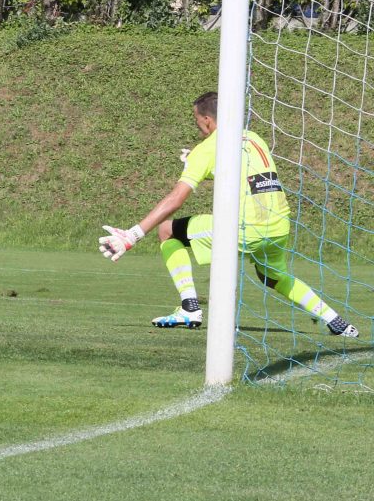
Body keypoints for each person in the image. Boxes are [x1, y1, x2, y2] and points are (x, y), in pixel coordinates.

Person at [98, 91, 358, 337]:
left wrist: (132, 235)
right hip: (279, 225)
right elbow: (240, 172)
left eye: (198, 121)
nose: (198, 127)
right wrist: (199, 162)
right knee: (271, 276)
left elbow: (177, 198)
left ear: (208, 120)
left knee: (167, 230)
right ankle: (336, 322)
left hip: (245, 228)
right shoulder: (253, 138)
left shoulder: (208, 148)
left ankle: (190, 308)